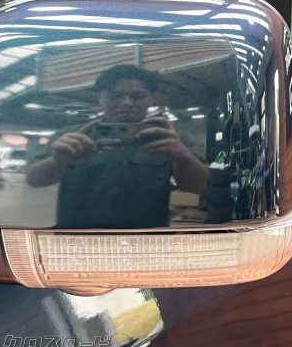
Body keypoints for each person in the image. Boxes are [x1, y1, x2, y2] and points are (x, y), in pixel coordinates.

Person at [26, 64, 209, 229]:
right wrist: (58, 161)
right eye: (115, 96)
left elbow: (198, 187)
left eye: (137, 97)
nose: (127, 103)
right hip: (77, 239)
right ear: (100, 99)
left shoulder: (169, 137)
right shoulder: (72, 136)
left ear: (151, 100)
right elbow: (34, 179)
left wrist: (183, 157)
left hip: (146, 241)